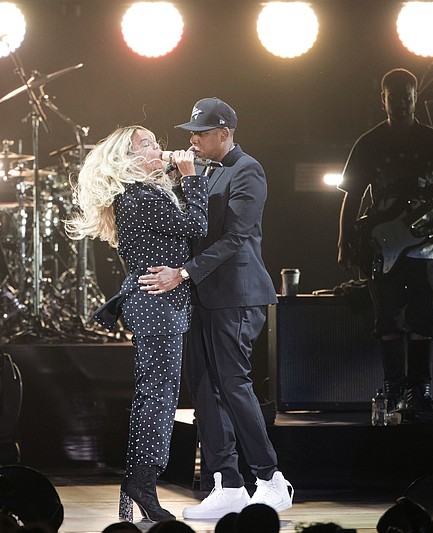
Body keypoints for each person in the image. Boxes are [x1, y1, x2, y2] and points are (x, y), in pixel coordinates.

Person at [138, 97, 293, 519]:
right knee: (204, 388)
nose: (193, 140)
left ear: (224, 133)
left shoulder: (248, 171)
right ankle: (227, 482)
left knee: (232, 383)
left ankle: (271, 478)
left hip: (237, 295)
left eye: (202, 133)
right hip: (201, 296)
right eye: (192, 132)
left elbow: (235, 238)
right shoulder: (196, 171)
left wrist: (182, 274)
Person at [66, 126, 208, 522]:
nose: (158, 148)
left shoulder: (146, 194)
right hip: (156, 307)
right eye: (147, 145)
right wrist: (193, 179)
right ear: (126, 160)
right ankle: (143, 483)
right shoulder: (140, 196)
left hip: (160, 306)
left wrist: (182, 182)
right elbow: (195, 228)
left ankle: (141, 482)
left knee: (157, 399)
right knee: (157, 401)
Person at [337, 68, 433, 416]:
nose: (402, 105)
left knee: (424, 319)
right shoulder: (370, 142)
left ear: (415, 97)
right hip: (383, 246)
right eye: (395, 99)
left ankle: (419, 391)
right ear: (384, 100)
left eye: (407, 98)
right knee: (388, 320)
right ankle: (394, 389)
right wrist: (344, 239)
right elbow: (351, 194)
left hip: (427, 248)